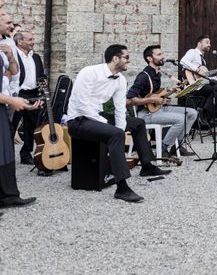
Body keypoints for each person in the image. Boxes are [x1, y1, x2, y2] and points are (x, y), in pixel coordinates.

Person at [65, 45, 171, 203]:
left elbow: (120, 108)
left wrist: (120, 128)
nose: (129, 60)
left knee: (138, 123)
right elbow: (82, 106)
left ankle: (147, 166)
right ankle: (122, 188)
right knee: (115, 133)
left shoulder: (120, 79)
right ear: (115, 59)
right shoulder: (89, 72)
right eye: (126, 57)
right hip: (79, 120)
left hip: (99, 116)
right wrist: (113, 130)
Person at [126, 45, 197, 158]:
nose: (162, 57)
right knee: (179, 119)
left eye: (162, 54)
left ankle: (177, 146)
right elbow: (129, 99)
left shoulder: (157, 73)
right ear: (149, 58)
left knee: (192, 113)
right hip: (145, 114)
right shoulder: (143, 76)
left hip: (158, 109)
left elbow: (158, 96)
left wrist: (172, 91)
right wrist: (152, 99)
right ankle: (163, 148)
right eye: (159, 55)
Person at [0, 19, 39, 210]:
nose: (10, 21)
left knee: (6, 151)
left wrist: (10, 58)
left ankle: (9, 195)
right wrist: (12, 99)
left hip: (9, 99)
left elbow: (10, 74)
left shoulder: (6, 47)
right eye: (3, 16)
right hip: (10, 99)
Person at [11, 32, 46, 168]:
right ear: (20, 42)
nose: (33, 42)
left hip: (33, 94)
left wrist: (43, 94)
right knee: (12, 126)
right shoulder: (13, 56)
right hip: (18, 93)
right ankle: (6, 157)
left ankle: (26, 154)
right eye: (30, 39)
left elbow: (42, 76)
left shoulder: (36, 57)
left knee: (32, 126)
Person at [180, 35, 217, 124]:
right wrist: (197, 70)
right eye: (207, 42)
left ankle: (211, 116)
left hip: (200, 85)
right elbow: (183, 61)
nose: (209, 45)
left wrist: (216, 77)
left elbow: (204, 79)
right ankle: (206, 113)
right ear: (199, 43)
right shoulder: (192, 52)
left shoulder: (203, 61)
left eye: (210, 43)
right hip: (192, 86)